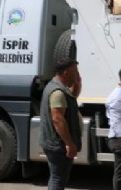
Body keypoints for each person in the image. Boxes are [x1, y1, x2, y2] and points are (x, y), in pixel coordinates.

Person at [39, 59, 83, 190]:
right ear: (66, 72)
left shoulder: (58, 87)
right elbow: (57, 119)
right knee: (58, 179)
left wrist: (78, 83)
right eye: (75, 72)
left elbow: (72, 95)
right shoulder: (57, 92)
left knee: (58, 178)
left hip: (56, 143)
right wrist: (69, 143)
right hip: (58, 144)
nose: (77, 74)